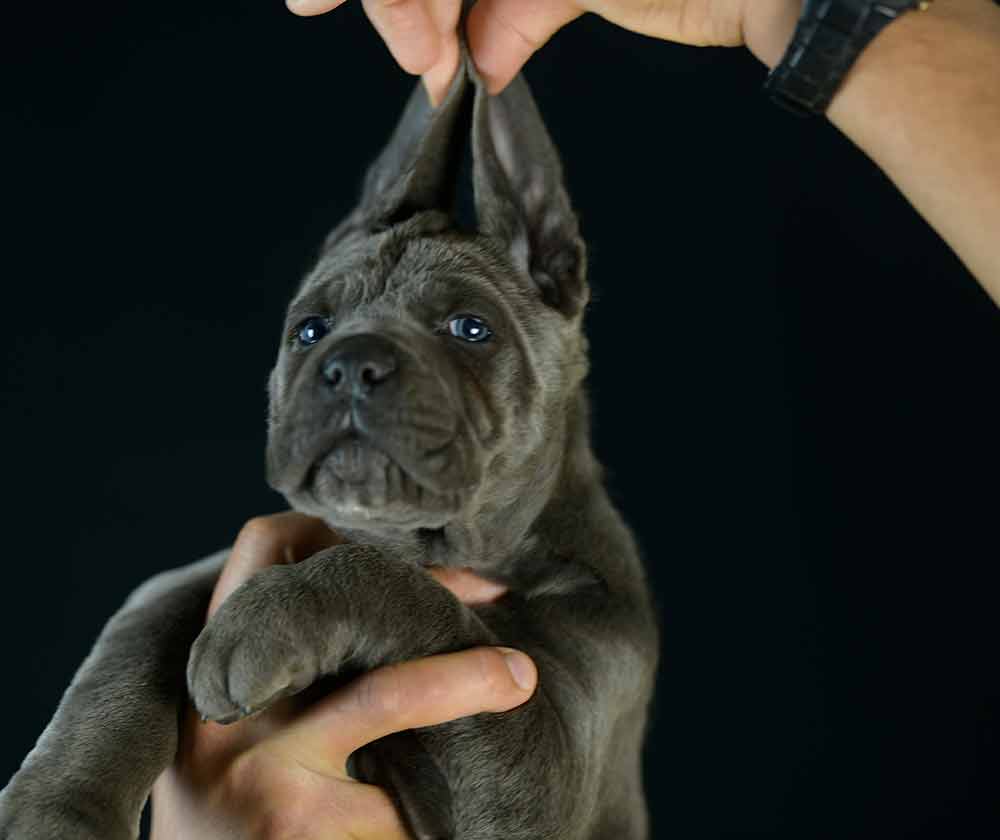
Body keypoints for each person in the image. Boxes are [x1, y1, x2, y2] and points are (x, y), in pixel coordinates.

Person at [152, 1, 1000, 837]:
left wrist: (366, 597)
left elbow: (519, 814)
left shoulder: (597, 615)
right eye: (313, 332)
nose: (350, 367)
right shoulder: (303, 555)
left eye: (468, 329)